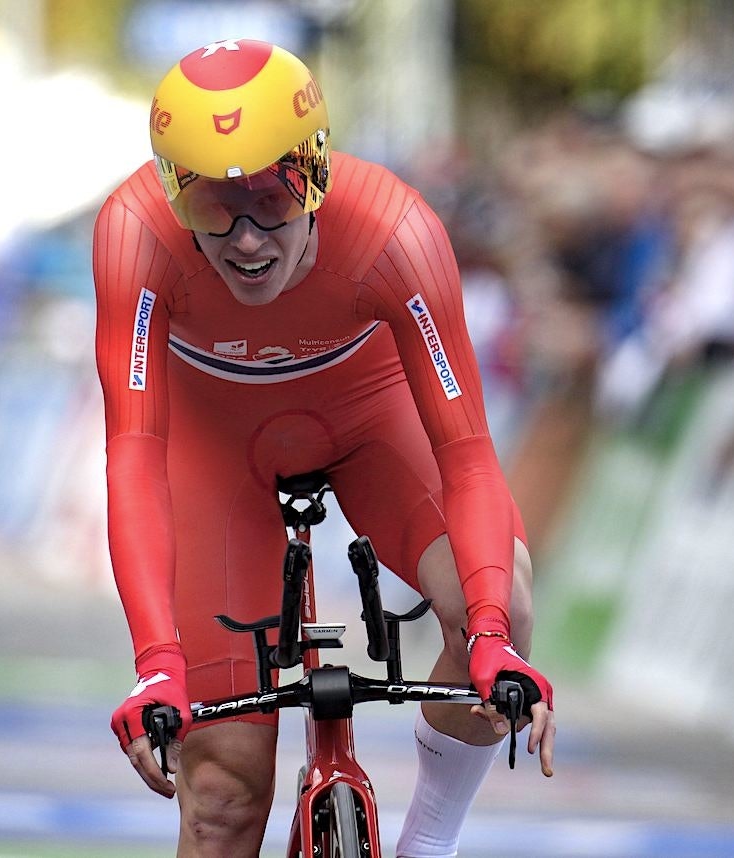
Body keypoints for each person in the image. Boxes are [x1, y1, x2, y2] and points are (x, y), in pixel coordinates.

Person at [93, 38, 555, 857]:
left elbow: (469, 456)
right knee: (222, 798)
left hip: (371, 426)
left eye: (274, 198)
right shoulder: (133, 233)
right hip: (213, 459)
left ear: (317, 171)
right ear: (172, 194)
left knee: (505, 608)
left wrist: (486, 636)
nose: (244, 238)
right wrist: (156, 661)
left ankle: (429, 844)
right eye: (211, 206)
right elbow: (133, 453)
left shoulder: (395, 230)